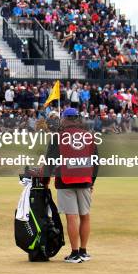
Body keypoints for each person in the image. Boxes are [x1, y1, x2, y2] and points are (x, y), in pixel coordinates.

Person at [45, 108, 98, 263]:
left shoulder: (58, 137)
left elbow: (50, 161)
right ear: (78, 119)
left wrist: (45, 180)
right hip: (85, 180)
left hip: (65, 180)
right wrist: (92, 181)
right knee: (85, 216)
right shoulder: (89, 136)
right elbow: (96, 161)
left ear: (64, 119)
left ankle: (74, 253)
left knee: (72, 217)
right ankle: (83, 251)